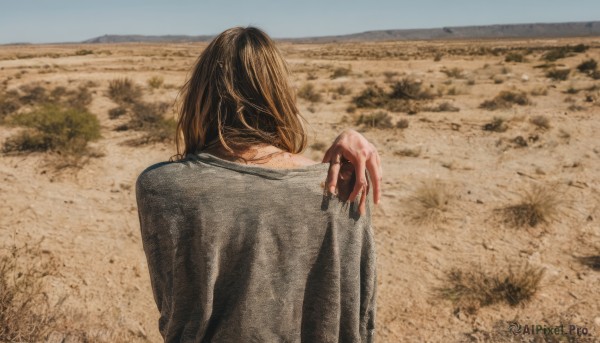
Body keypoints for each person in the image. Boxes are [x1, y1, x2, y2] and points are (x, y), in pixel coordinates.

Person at [136, 26, 378, 342]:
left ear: (201, 95)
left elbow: (174, 309)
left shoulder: (161, 187)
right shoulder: (343, 187)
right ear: (279, 93)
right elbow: (361, 316)